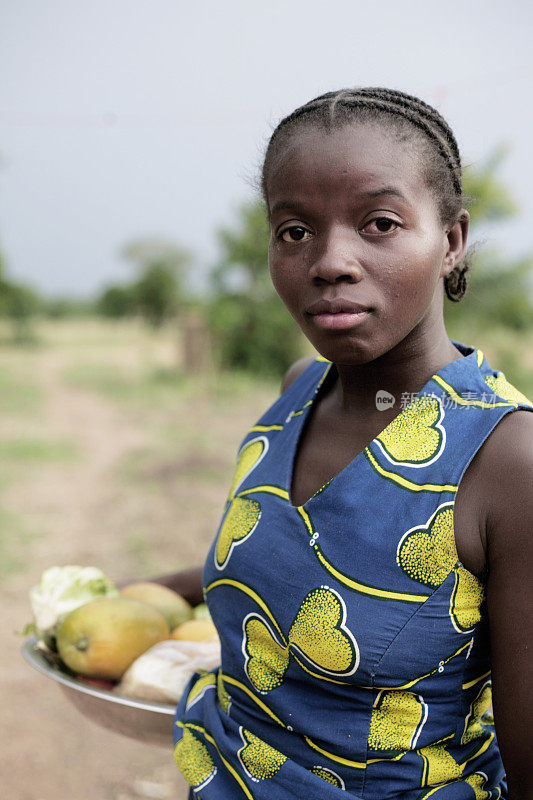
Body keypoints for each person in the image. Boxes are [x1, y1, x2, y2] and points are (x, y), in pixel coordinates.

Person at [153, 88, 533, 799]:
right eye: (293, 231)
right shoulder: (300, 389)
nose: (329, 260)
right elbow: (303, 561)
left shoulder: (505, 460)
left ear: (450, 240)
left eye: (379, 223)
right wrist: (153, 591)